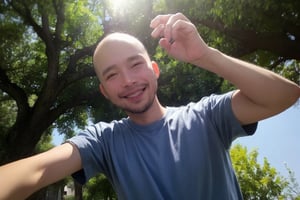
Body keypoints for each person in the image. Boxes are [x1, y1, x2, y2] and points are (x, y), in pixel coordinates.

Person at [0, 13, 299, 200]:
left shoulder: (207, 115)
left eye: (135, 65)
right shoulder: (104, 142)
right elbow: (35, 172)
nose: (128, 80)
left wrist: (206, 55)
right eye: (112, 75)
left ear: (155, 69)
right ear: (105, 91)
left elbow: (284, 96)